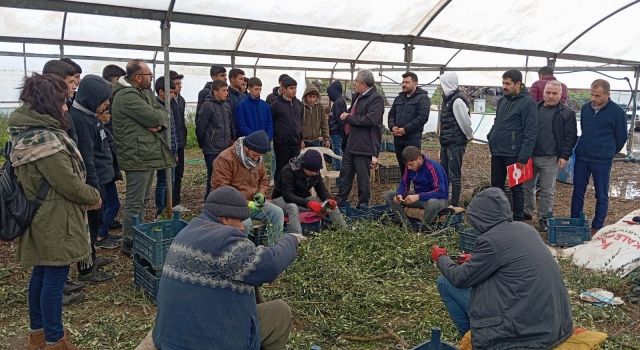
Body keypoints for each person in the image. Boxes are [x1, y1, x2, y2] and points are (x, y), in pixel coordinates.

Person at [8, 73, 101, 350]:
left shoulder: (27, 132)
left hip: (41, 215)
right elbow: (69, 184)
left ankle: (38, 334)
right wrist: (93, 196)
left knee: (41, 273)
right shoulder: (45, 142)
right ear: (49, 103)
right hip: (55, 218)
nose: (65, 107)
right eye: (62, 102)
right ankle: (54, 340)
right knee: (54, 279)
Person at [151, 186, 305, 350]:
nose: (241, 227)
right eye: (239, 221)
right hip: (202, 343)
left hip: (168, 337)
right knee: (280, 312)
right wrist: (291, 239)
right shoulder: (223, 239)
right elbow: (270, 265)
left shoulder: (186, 232)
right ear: (224, 218)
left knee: (249, 282)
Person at [432, 187, 573, 348]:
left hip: (525, 333)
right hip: (556, 326)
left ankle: (469, 338)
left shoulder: (491, 241)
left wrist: (441, 257)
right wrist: (475, 259)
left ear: (481, 218)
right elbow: (509, 260)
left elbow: (460, 278)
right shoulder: (526, 229)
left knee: (444, 282)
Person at [111, 59, 175, 256]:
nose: (152, 78)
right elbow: (157, 117)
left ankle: (138, 236)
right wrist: (157, 120)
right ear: (138, 78)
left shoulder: (141, 92)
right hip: (137, 155)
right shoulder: (127, 96)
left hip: (145, 154)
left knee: (143, 200)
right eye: (149, 75)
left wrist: (158, 120)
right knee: (134, 202)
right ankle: (129, 242)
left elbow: (162, 113)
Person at [69, 74, 119, 284]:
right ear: (91, 98)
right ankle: (86, 269)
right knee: (88, 226)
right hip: (94, 183)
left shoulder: (90, 116)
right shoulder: (80, 120)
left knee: (95, 222)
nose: (107, 104)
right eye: (104, 99)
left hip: (102, 179)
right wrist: (93, 190)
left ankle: (92, 258)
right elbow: (87, 158)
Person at [571, 79, 627, 235]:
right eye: (592, 94)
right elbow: (584, 129)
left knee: (601, 194)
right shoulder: (585, 109)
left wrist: (608, 151)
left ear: (608, 95)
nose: (594, 99)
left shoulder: (617, 112)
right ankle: (574, 221)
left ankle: (597, 225)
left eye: (598, 95)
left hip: (602, 160)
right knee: (578, 191)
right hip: (582, 156)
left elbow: (621, 137)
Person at [212, 130, 285, 244]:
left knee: (277, 212)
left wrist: (261, 193)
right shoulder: (225, 159)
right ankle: (238, 252)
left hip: (252, 204)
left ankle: (275, 249)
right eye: (255, 155)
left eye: (260, 156)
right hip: (230, 206)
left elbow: (264, 180)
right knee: (245, 223)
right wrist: (245, 203)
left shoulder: (258, 159)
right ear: (246, 147)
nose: (257, 159)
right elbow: (221, 190)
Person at [523, 81, 578, 231]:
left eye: (555, 93)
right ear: (543, 93)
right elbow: (525, 130)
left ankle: (544, 218)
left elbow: (570, 136)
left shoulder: (567, 113)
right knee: (527, 186)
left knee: (547, 190)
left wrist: (564, 156)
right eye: (548, 92)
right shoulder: (534, 108)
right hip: (530, 156)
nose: (551, 96)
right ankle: (527, 212)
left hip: (551, 157)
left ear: (561, 95)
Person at [487, 69, 537, 221]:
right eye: (503, 83)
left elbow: (531, 131)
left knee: (516, 188)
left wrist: (523, 157)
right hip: (498, 152)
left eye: (508, 83)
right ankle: (498, 216)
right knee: (496, 186)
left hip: (514, 153)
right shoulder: (503, 100)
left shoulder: (528, 103)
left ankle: (517, 219)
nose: (504, 86)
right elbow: (497, 122)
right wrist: (491, 136)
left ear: (518, 84)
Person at [337, 70, 384, 208]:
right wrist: (347, 114)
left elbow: (371, 119)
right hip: (351, 143)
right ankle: (340, 204)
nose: (354, 83)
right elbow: (354, 112)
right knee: (345, 176)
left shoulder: (376, 99)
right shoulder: (358, 96)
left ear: (363, 84)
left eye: (356, 81)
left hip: (364, 146)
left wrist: (348, 118)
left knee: (363, 179)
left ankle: (362, 207)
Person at [272, 150, 347, 233]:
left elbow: (321, 190)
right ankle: (297, 237)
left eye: (317, 171)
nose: (315, 174)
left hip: (302, 199)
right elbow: (288, 195)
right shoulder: (289, 171)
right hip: (281, 200)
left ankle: (344, 230)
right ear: (304, 167)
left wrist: (329, 200)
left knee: (329, 203)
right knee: (292, 207)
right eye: (312, 171)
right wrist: (308, 203)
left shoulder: (315, 172)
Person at [383, 146, 448, 227]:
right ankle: (405, 224)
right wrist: (399, 194)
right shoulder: (409, 167)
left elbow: (441, 192)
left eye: (411, 164)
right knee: (389, 195)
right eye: (407, 165)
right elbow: (404, 183)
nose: (409, 167)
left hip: (438, 200)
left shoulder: (433, 167)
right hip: (420, 198)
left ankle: (424, 228)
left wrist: (418, 196)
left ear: (419, 158)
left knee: (432, 203)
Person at [439, 72, 473, 207]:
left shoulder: (457, 100)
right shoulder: (448, 99)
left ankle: (454, 203)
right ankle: (444, 199)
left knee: (454, 174)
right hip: (447, 141)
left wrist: (469, 135)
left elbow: (465, 121)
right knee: (444, 172)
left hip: (455, 142)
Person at [196, 79, 234, 200]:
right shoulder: (207, 106)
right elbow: (200, 127)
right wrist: (204, 144)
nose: (226, 93)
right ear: (215, 91)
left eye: (227, 90)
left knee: (226, 175)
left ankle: (223, 200)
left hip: (226, 147)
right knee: (213, 176)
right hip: (212, 149)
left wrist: (232, 138)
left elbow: (230, 124)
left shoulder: (226, 105)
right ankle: (209, 201)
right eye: (223, 90)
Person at [387, 72, 430, 170]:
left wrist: (405, 129)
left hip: (412, 138)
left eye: (407, 82)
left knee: (413, 165)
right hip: (398, 138)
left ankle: (416, 185)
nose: (404, 84)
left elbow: (422, 118)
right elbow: (391, 115)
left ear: (415, 83)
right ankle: (404, 185)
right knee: (402, 165)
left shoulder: (422, 98)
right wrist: (393, 127)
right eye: (403, 82)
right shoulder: (399, 98)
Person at [153, 76, 179, 217]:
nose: (173, 95)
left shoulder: (169, 106)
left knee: (171, 180)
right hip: (162, 150)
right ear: (161, 92)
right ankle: (161, 209)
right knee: (163, 180)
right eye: (171, 92)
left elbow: (173, 130)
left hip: (171, 150)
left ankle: (168, 206)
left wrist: (174, 151)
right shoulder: (156, 107)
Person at [271, 76, 304, 181]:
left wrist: (301, 139)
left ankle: (292, 191)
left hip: (295, 143)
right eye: (291, 88)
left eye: (295, 88)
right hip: (281, 144)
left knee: (295, 168)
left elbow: (300, 123)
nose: (294, 90)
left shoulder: (298, 104)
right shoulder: (276, 104)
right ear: (284, 89)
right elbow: (271, 122)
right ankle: (278, 192)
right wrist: (276, 137)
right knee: (281, 168)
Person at [169, 70, 189, 212]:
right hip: (171, 143)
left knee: (179, 173)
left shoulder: (180, 100)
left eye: (180, 83)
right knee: (169, 176)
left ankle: (176, 202)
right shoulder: (166, 101)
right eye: (176, 84)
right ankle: (167, 204)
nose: (179, 86)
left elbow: (181, 122)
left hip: (180, 142)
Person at [327, 80, 346, 170]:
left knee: (336, 155)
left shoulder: (339, 102)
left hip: (337, 133)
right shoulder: (338, 101)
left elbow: (341, 120)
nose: (329, 96)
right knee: (336, 153)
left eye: (330, 93)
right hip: (336, 132)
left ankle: (338, 173)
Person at [228, 68, 247, 136]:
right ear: (232, 79)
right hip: (229, 135)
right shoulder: (225, 95)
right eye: (240, 79)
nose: (242, 81)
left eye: (243, 79)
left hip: (242, 133)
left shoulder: (244, 97)